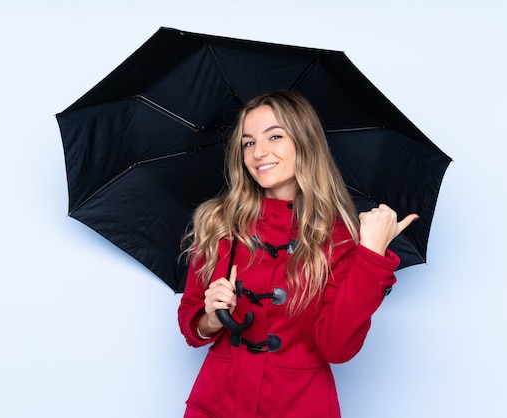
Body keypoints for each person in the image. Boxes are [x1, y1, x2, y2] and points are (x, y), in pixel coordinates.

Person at [177, 91, 418, 417]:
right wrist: (211, 315)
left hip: (300, 405)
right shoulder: (219, 223)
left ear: (305, 143)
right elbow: (192, 324)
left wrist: (371, 256)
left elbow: (336, 347)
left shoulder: (340, 237)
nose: (258, 152)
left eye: (274, 136)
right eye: (248, 143)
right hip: (217, 404)